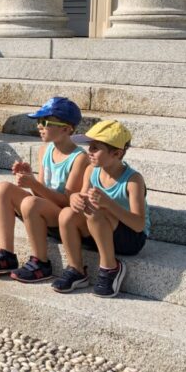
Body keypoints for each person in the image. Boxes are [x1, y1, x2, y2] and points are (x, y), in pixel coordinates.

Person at [0, 97, 88, 280]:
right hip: (45, 211)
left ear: (66, 129)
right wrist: (30, 179)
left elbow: (68, 203)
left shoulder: (79, 158)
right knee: (3, 189)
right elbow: (41, 193)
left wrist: (34, 185)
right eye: (38, 121)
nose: (39, 126)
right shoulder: (45, 150)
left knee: (30, 203)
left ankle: (41, 262)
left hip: (64, 219)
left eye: (45, 122)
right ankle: (6, 253)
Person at [53, 120, 149, 298]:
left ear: (116, 153)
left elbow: (139, 225)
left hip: (130, 239)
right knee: (67, 213)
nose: (89, 152)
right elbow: (82, 200)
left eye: (95, 148)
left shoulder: (133, 180)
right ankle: (76, 269)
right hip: (99, 231)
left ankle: (110, 268)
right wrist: (74, 199)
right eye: (90, 147)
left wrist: (108, 204)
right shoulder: (91, 170)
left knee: (97, 211)